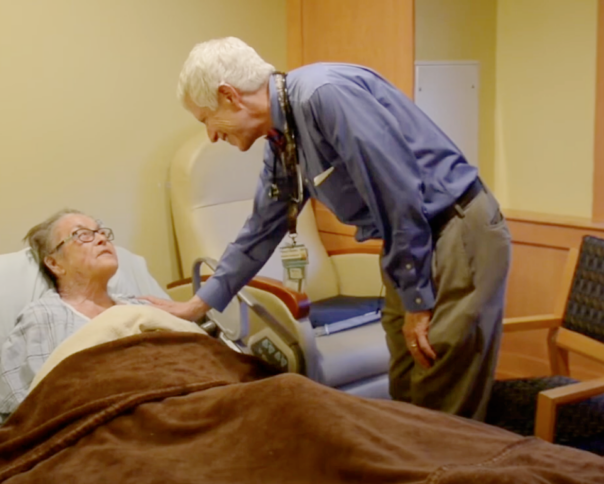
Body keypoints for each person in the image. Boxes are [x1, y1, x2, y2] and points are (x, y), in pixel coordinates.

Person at [150, 36, 511, 420]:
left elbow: (399, 193)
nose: (211, 134)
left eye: (206, 119)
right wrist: (198, 304)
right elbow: (261, 228)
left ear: (229, 96)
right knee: (407, 386)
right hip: (410, 239)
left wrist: (418, 302)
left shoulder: (325, 95)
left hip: (453, 229)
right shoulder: (282, 135)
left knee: (440, 383)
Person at [0, 210, 148, 423]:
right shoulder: (44, 316)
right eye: (82, 234)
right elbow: (33, 409)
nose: (101, 238)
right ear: (55, 263)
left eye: (101, 232)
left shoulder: (141, 306)